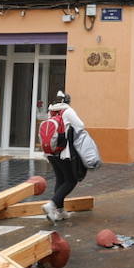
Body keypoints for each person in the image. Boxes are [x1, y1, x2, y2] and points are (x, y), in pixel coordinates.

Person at [43, 91, 86, 224]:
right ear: (66, 101)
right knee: (71, 180)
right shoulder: (67, 111)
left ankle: (59, 212)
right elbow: (80, 126)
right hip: (63, 152)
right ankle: (52, 204)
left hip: (50, 152)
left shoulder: (50, 111)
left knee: (60, 179)